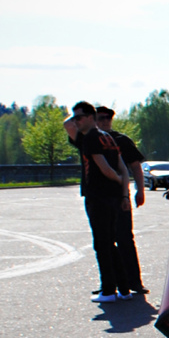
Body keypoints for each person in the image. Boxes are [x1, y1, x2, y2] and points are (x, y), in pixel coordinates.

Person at [65, 101, 131, 302]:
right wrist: (124, 193)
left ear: (90, 118)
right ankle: (124, 289)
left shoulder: (91, 138)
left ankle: (109, 291)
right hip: (112, 196)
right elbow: (123, 168)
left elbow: (106, 169)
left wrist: (119, 182)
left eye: (79, 117)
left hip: (98, 197)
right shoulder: (108, 137)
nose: (75, 122)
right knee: (111, 243)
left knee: (102, 244)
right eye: (75, 117)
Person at [95, 106, 148, 295]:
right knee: (104, 242)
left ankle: (135, 282)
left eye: (107, 118)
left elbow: (135, 166)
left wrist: (140, 190)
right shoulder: (90, 141)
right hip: (98, 199)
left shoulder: (121, 140)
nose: (104, 121)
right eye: (100, 118)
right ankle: (109, 284)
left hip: (119, 197)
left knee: (125, 239)